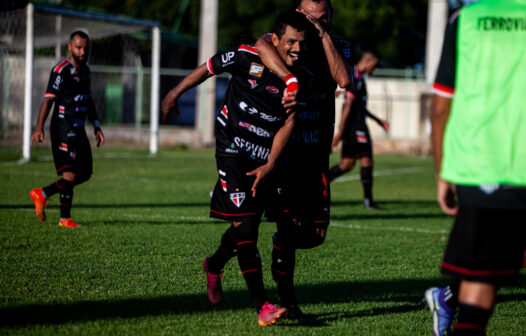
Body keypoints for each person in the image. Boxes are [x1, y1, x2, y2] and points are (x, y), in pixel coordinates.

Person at [161, 10, 310, 327]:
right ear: (275, 40)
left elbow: (289, 123)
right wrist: (175, 92)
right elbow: (208, 69)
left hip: (265, 160)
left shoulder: (300, 80)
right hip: (231, 150)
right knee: (247, 227)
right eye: (291, 42)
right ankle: (262, 305)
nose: (297, 49)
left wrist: (270, 164)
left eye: (301, 43)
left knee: (252, 223)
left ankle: (214, 265)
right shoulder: (246, 57)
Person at [425, 1, 526, 335]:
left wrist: (443, 171)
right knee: (485, 272)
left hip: (480, 166)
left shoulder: (467, 20)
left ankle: (449, 299)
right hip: (502, 166)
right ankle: (449, 298)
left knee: (483, 274)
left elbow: (441, 106)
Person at [254, 0, 352, 323]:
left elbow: (344, 80)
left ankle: (279, 246)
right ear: (298, 13)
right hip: (288, 155)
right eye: (308, 16)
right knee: (287, 231)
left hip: (317, 155)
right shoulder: (289, 45)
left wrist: (322, 34)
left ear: (329, 17)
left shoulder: (337, 47)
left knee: (316, 235)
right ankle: (289, 302)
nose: (313, 22)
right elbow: (261, 43)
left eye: (320, 18)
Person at [29, 30, 104, 228]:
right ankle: (64, 219)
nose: (82, 51)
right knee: (69, 174)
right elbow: (48, 100)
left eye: (85, 48)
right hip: (63, 128)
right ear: (70, 47)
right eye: (78, 47)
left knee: (85, 173)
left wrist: (96, 126)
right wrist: (39, 128)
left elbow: (89, 101)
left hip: (79, 130)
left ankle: (42, 194)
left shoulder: (86, 71)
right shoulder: (60, 70)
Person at [328, 50, 389, 210]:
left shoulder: (358, 78)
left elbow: (359, 106)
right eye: (373, 66)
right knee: (366, 159)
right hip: (356, 126)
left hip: (352, 126)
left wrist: (378, 121)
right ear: (367, 62)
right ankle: (368, 201)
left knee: (347, 164)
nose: (373, 70)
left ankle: (317, 187)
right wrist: (340, 132)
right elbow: (347, 105)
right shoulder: (355, 77)